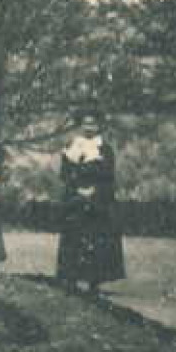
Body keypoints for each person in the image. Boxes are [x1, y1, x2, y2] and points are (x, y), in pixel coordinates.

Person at [55, 110, 126, 293]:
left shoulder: (104, 149)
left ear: (99, 126)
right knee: (74, 237)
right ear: (80, 125)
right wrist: (78, 188)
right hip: (75, 196)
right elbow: (64, 173)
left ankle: (95, 280)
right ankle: (71, 278)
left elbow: (108, 175)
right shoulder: (72, 146)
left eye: (93, 124)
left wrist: (94, 191)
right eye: (85, 124)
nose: (89, 128)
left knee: (97, 237)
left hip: (98, 198)